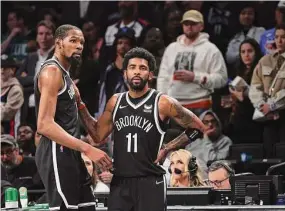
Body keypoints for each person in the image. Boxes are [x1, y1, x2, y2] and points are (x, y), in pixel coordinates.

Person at [74, 47, 207, 211]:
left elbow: (198, 128)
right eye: (132, 67)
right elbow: (98, 135)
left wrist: (167, 148)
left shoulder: (163, 102)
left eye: (142, 68)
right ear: (125, 74)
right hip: (120, 182)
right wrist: (80, 104)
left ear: (150, 75)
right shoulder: (115, 102)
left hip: (150, 181)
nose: (137, 72)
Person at [34, 24, 112, 210]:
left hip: (71, 151)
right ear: (59, 43)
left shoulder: (66, 77)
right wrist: (87, 149)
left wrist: (117, 109)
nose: (79, 46)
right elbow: (44, 125)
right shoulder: (52, 72)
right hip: (55, 151)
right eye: (73, 40)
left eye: (82, 42)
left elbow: (97, 135)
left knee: (88, 206)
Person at [157, 9, 227, 118]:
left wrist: (196, 77)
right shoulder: (172, 48)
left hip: (200, 104)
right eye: (186, 23)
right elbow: (163, 77)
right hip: (174, 105)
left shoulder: (210, 49)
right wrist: (162, 100)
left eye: (193, 23)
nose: (189, 26)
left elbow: (222, 79)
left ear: (201, 26)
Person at [249, 23, 285, 158]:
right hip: (268, 116)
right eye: (277, 37)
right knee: (269, 154)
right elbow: (255, 86)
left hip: (282, 113)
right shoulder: (265, 60)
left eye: (283, 37)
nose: (279, 41)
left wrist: (273, 105)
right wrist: (261, 105)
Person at [186, 110, 232, 178]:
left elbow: (212, 163)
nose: (210, 124)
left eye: (213, 121)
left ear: (218, 123)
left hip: (215, 178)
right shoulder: (195, 143)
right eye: (206, 122)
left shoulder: (225, 141)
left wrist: (207, 139)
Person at [1, 54, 24, 136]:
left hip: (7, 132)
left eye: (5, 68)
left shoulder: (15, 89)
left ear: (13, 70)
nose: (2, 70)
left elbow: (6, 114)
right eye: (0, 67)